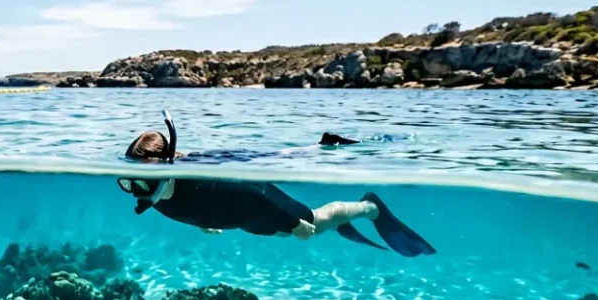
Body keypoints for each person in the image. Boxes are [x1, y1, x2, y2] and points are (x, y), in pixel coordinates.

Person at [117, 111, 435, 257]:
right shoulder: (154, 194)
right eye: (130, 183)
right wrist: (203, 221)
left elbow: (251, 194)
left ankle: (369, 207)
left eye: (142, 180)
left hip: (258, 201)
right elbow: (188, 205)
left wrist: (294, 223)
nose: (138, 191)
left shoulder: (206, 181)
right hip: (242, 217)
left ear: (167, 165)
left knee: (315, 223)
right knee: (283, 233)